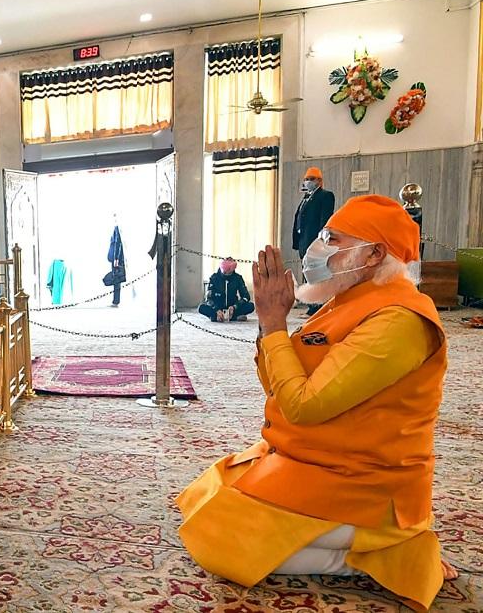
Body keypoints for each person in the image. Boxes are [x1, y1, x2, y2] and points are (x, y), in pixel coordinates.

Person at [176, 195, 454, 613]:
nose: (317, 249)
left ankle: (380, 554)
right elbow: (278, 388)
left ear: (375, 253)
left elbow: (304, 405)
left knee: (214, 538)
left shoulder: (399, 319)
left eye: (332, 239)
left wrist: (272, 324)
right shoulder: (345, 302)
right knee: (202, 494)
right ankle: (331, 539)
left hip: (363, 485)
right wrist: (271, 330)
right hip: (312, 460)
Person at [292, 166, 335, 315]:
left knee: (316, 275)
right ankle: (311, 305)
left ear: (319, 181)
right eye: (306, 179)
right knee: (307, 274)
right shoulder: (306, 198)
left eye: (311, 179)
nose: (308, 182)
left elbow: (325, 220)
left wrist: (321, 240)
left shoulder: (325, 196)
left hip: (314, 241)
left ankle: (317, 307)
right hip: (304, 242)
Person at [198, 258, 255, 322]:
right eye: (224, 273)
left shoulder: (238, 278)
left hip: (232, 308)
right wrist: (216, 309)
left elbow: (246, 296)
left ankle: (227, 317)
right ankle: (221, 317)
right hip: (217, 307)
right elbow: (208, 298)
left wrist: (235, 306)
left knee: (251, 306)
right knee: (201, 307)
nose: (226, 275)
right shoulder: (214, 278)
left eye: (229, 273)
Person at [105, 224, 125, 307]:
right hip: (116, 259)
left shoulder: (118, 229)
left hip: (117, 259)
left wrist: (116, 259)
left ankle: (116, 301)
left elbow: (118, 244)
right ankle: (115, 301)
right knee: (116, 279)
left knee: (116, 279)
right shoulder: (117, 229)